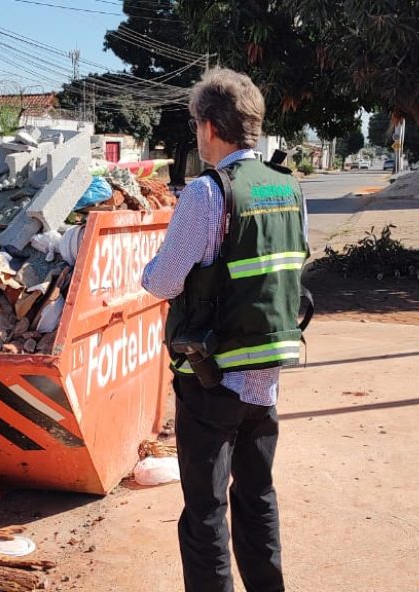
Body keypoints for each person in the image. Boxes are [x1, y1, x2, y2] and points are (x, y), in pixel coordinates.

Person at [141, 67, 308, 592]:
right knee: (258, 498)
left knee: (205, 515)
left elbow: (164, 281)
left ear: (211, 126)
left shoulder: (208, 194)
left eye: (195, 123)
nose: (195, 133)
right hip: (266, 379)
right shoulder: (288, 189)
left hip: (211, 379)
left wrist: (148, 272)